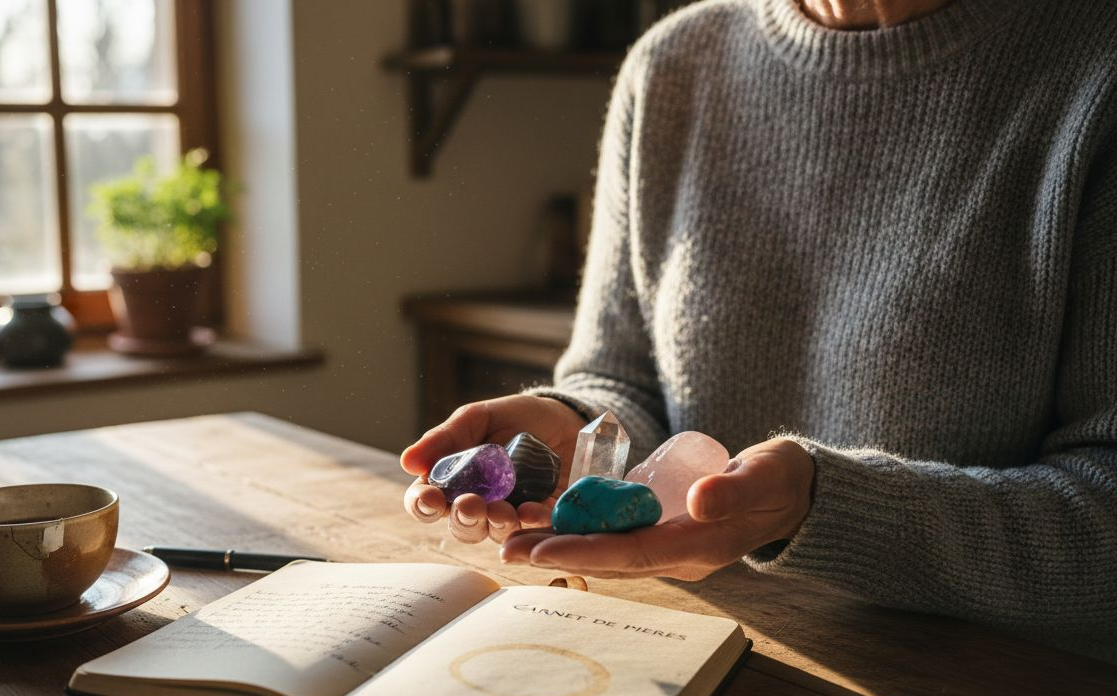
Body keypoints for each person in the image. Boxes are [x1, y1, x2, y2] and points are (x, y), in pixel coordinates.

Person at [402, 0, 1117, 662]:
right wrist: (574, 424)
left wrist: (819, 508)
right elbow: (619, 377)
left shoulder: (1095, 68)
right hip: (699, 656)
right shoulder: (672, 63)